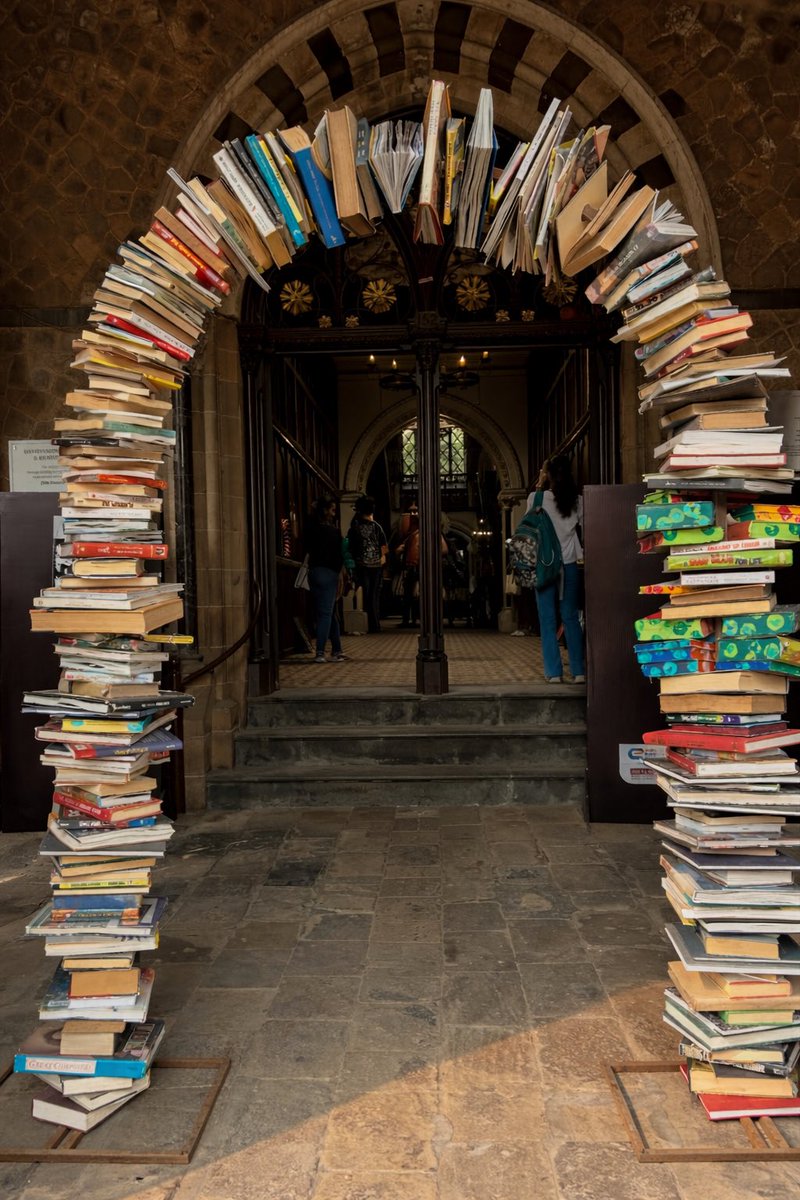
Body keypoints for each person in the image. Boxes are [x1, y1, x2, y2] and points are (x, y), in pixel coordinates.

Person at [528, 455, 585, 684]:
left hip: (544, 565)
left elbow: (529, 528)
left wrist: (540, 485)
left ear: (547, 474)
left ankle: (553, 673)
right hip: (569, 564)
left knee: (547, 619)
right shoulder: (577, 501)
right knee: (571, 617)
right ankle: (579, 671)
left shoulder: (536, 497)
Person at [304, 495, 347, 663]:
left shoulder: (310, 529)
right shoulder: (334, 532)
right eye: (332, 509)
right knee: (325, 614)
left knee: (328, 611)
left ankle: (337, 649)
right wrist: (340, 574)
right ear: (325, 510)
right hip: (329, 574)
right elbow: (339, 556)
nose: (334, 513)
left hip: (313, 572)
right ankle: (320, 652)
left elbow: (306, 549)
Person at [347, 495, 388, 634]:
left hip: (361, 566)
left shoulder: (354, 527)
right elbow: (384, 547)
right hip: (376, 566)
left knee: (363, 594)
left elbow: (350, 547)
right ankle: (374, 625)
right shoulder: (377, 527)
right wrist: (382, 559)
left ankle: (363, 624)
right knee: (374, 596)